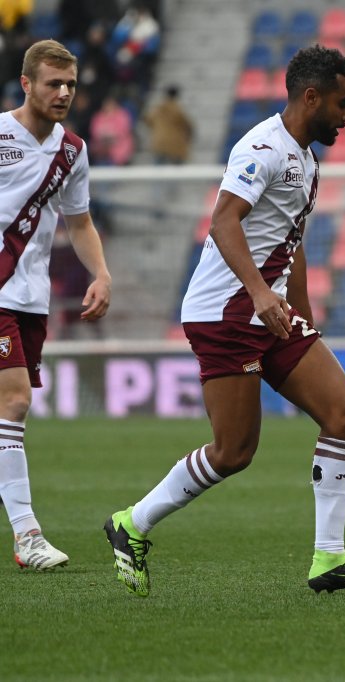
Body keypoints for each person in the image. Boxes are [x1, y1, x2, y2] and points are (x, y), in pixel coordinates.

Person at [103, 45, 345, 597]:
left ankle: (328, 559)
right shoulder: (262, 147)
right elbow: (223, 222)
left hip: (270, 312)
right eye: (342, 103)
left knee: (344, 414)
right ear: (311, 97)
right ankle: (131, 523)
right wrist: (261, 292)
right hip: (226, 314)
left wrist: (304, 318)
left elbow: (291, 241)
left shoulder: (308, 161)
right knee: (234, 452)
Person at [0, 39, 112, 570]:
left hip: (31, 297)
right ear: (27, 84)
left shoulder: (73, 150)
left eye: (70, 84)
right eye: (53, 83)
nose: (64, 92)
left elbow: (80, 221)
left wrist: (101, 273)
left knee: (9, 407)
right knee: (14, 402)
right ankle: (27, 535)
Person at [142, 85, 193, 164]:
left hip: (159, 141)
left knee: (158, 165)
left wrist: (157, 129)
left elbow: (148, 120)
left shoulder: (158, 108)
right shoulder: (177, 109)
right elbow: (187, 124)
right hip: (175, 142)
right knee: (177, 167)